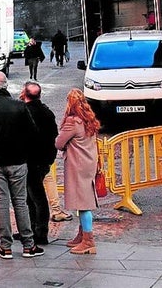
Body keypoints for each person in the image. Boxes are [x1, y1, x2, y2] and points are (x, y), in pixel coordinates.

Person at [0, 72, 44, 259]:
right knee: (20, 202)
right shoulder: (20, 107)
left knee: (1, 203)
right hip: (18, 160)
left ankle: (5, 246)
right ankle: (29, 245)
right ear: (5, 86)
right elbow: (32, 133)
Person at [55, 88, 101, 254]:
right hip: (89, 163)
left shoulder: (73, 121)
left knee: (83, 204)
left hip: (78, 165)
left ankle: (88, 240)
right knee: (84, 199)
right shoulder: (88, 119)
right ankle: (82, 235)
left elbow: (59, 143)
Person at [19, 81, 57, 245]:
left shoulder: (24, 112)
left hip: (30, 160)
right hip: (43, 160)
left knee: (36, 197)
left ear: (24, 94)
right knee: (30, 197)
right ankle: (32, 229)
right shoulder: (46, 112)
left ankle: (40, 232)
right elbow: (54, 137)